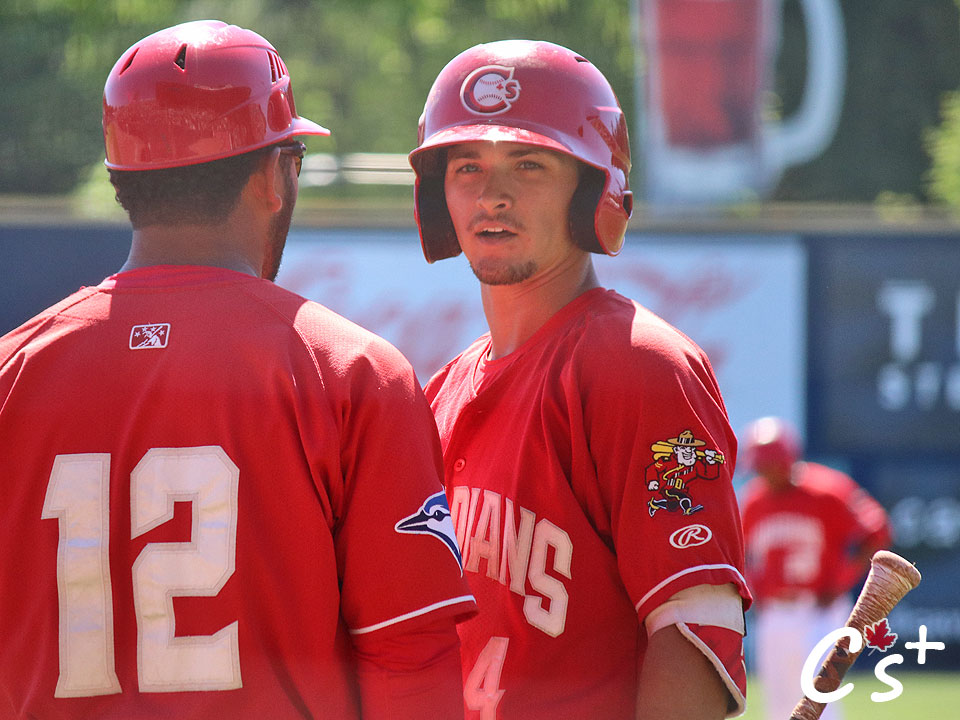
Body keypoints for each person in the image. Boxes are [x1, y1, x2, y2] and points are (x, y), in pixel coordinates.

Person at [0, 20, 475, 719]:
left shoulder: (13, 373)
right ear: (271, 175)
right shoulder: (349, 370)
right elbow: (410, 658)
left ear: (121, 178)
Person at [408, 39, 752, 719]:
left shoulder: (640, 366)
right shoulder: (441, 390)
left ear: (593, 190)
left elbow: (693, 629)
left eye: (530, 164)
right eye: (467, 165)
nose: (493, 194)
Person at [739, 416, 892, 720]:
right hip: (774, 615)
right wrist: (755, 589)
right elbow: (739, 554)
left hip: (820, 612)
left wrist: (842, 580)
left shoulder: (828, 490)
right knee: (779, 705)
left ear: (785, 460)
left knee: (821, 701)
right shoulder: (754, 501)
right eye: (758, 467)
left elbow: (877, 531)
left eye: (766, 465)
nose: (761, 473)